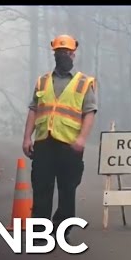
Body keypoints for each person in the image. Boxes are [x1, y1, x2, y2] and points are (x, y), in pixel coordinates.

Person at [22, 34, 98, 245]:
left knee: (67, 190)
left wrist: (82, 139)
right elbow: (33, 109)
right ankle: (40, 233)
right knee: (41, 188)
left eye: (66, 52)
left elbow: (89, 112)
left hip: (70, 145)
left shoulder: (84, 82)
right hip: (44, 142)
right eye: (59, 52)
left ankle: (61, 230)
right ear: (54, 54)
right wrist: (27, 137)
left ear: (73, 54)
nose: (62, 55)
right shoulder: (43, 81)